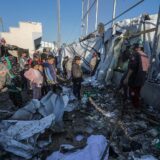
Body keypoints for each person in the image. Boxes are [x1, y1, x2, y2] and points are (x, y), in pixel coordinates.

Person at [123, 43, 149, 108]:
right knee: (137, 92)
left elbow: (132, 67)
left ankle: (134, 106)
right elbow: (147, 67)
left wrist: (127, 78)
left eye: (134, 48)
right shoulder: (145, 55)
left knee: (132, 92)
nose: (133, 50)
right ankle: (136, 104)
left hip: (135, 78)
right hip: (142, 78)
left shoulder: (135, 54)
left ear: (137, 48)